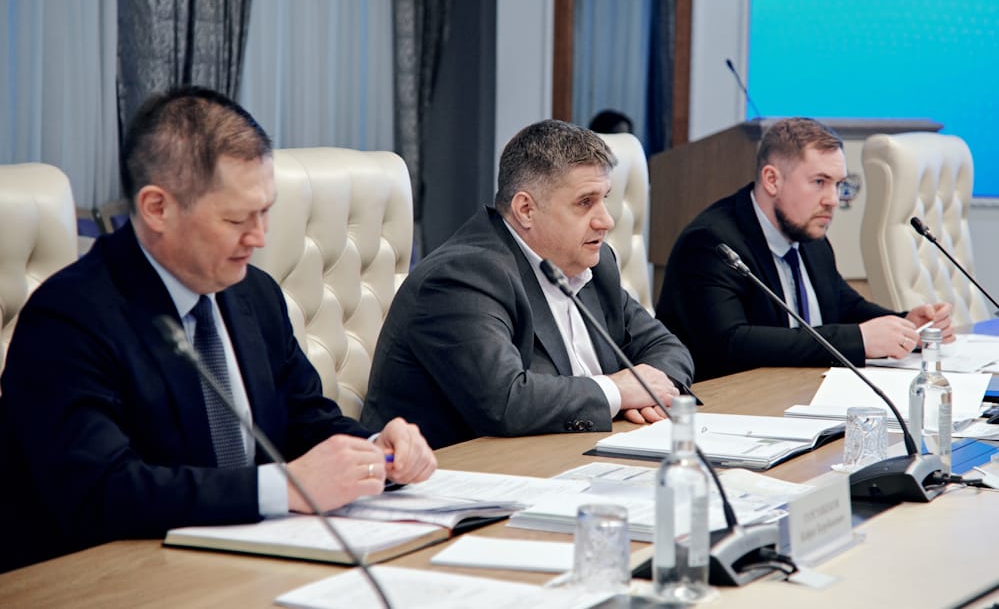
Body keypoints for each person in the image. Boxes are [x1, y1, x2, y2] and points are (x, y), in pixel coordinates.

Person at [0, 87, 436, 571]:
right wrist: (285, 487)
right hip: (115, 575)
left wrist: (376, 452)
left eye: (265, 212)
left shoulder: (254, 294)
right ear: (157, 208)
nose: (259, 237)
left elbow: (305, 420)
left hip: (255, 558)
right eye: (236, 219)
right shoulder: (69, 317)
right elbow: (102, 491)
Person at [361, 119, 695, 449]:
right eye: (585, 202)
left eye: (605, 198)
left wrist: (647, 392)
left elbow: (668, 348)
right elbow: (505, 400)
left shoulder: (593, 262)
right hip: (462, 471)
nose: (606, 220)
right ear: (525, 209)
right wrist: (618, 392)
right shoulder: (462, 276)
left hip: (575, 452)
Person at [656, 117, 954, 380]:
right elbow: (731, 343)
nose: (833, 200)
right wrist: (858, 339)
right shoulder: (712, 243)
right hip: (727, 406)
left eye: (838, 184)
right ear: (772, 180)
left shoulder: (809, 236)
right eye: (820, 182)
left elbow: (843, 305)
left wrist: (905, 324)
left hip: (796, 394)